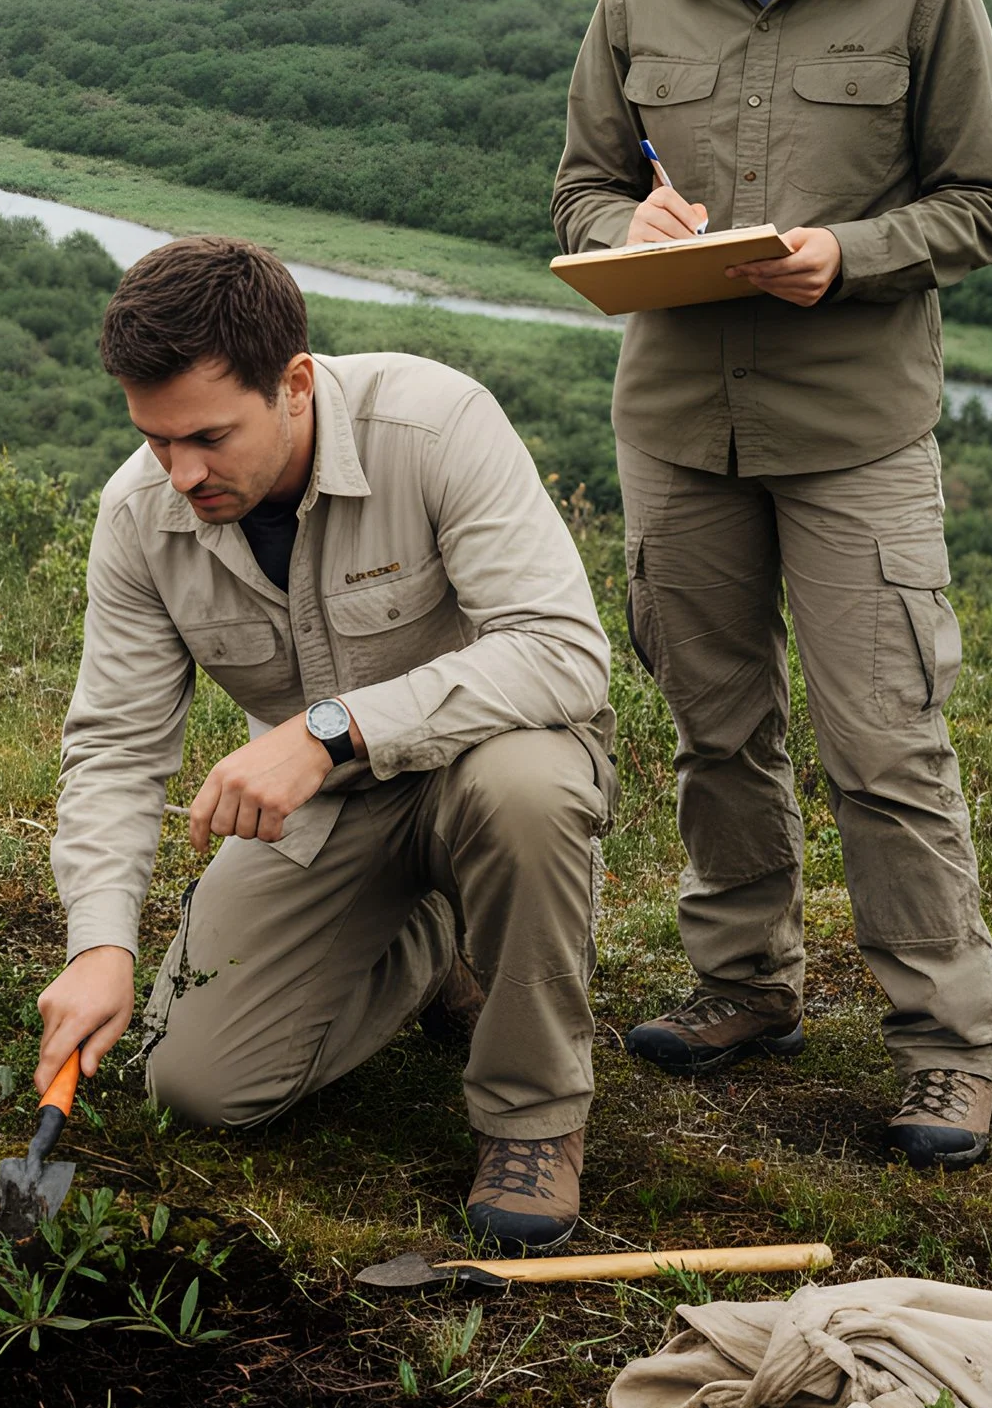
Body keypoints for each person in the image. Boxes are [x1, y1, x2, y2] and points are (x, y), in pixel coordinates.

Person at [553, 0, 992, 1170]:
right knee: (716, 727)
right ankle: (745, 988)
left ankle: (947, 1051)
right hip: (679, 430)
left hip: (852, 434)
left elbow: (985, 204)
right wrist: (623, 230)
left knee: (885, 745)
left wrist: (849, 251)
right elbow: (578, 191)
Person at [36, 237, 616, 1250]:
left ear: (295, 383)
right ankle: (432, 943)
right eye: (156, 439)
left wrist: (332, 728)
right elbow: (116, 750)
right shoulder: (137, 514)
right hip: (333, 812)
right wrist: (98, 942)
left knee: (526, 794)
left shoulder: (433, 425)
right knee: (196, 1081)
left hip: (489, 763)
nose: (180, 472)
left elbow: (562, 654)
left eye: (209, 437)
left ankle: (534, 1115)